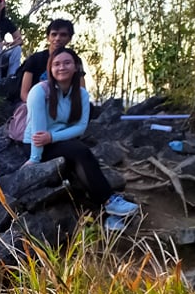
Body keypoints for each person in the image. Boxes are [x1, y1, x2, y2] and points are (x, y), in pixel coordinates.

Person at [22, 47, 138, 230]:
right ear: (50, 69)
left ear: (76, 67)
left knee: (79, 160)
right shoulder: (39, 91)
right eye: (56, 64)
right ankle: (109, 202)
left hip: (56, 139)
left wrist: (52, 137)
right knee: (81, 152)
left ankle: (108, 214)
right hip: (35, 145)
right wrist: (35, 160)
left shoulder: (81, 94)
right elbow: (38, 133)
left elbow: (80, 128)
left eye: (67, 63)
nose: (62, 67)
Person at [19, 18, 84, 101]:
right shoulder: (35, 59)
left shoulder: (75, 60)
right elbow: (24, 93)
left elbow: (81, 90)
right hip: (36, 103)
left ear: (70, 38)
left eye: (63, 35)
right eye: (54, 34)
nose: (57, 38)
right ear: (48, 37)